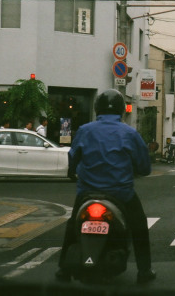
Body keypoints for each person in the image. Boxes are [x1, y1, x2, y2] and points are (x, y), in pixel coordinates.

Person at [56, 89, 155, 284]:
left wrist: (72, 171)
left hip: (87, 193)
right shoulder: (130, 133)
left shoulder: (85, 130)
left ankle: (63, 271)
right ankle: (144, 271)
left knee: (72, 226)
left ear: (96, 108)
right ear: (121, 110)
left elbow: (72, 158)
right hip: (121, 194)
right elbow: (144, 167)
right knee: (139, 226)